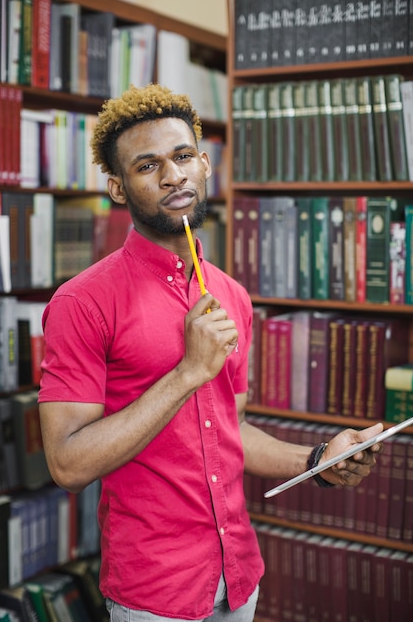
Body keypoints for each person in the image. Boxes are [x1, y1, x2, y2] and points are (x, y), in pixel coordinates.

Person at [38, 84, 383, 622]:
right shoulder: (82, 302)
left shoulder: (231, 294)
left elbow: (227, 430)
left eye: (181, 157)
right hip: (155, 591)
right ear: (118, 188)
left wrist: (317, 461)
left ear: (204, 164)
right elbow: (67, 463)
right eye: (148, 166)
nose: (173, 176)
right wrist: (188, 372)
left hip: (239, 577)